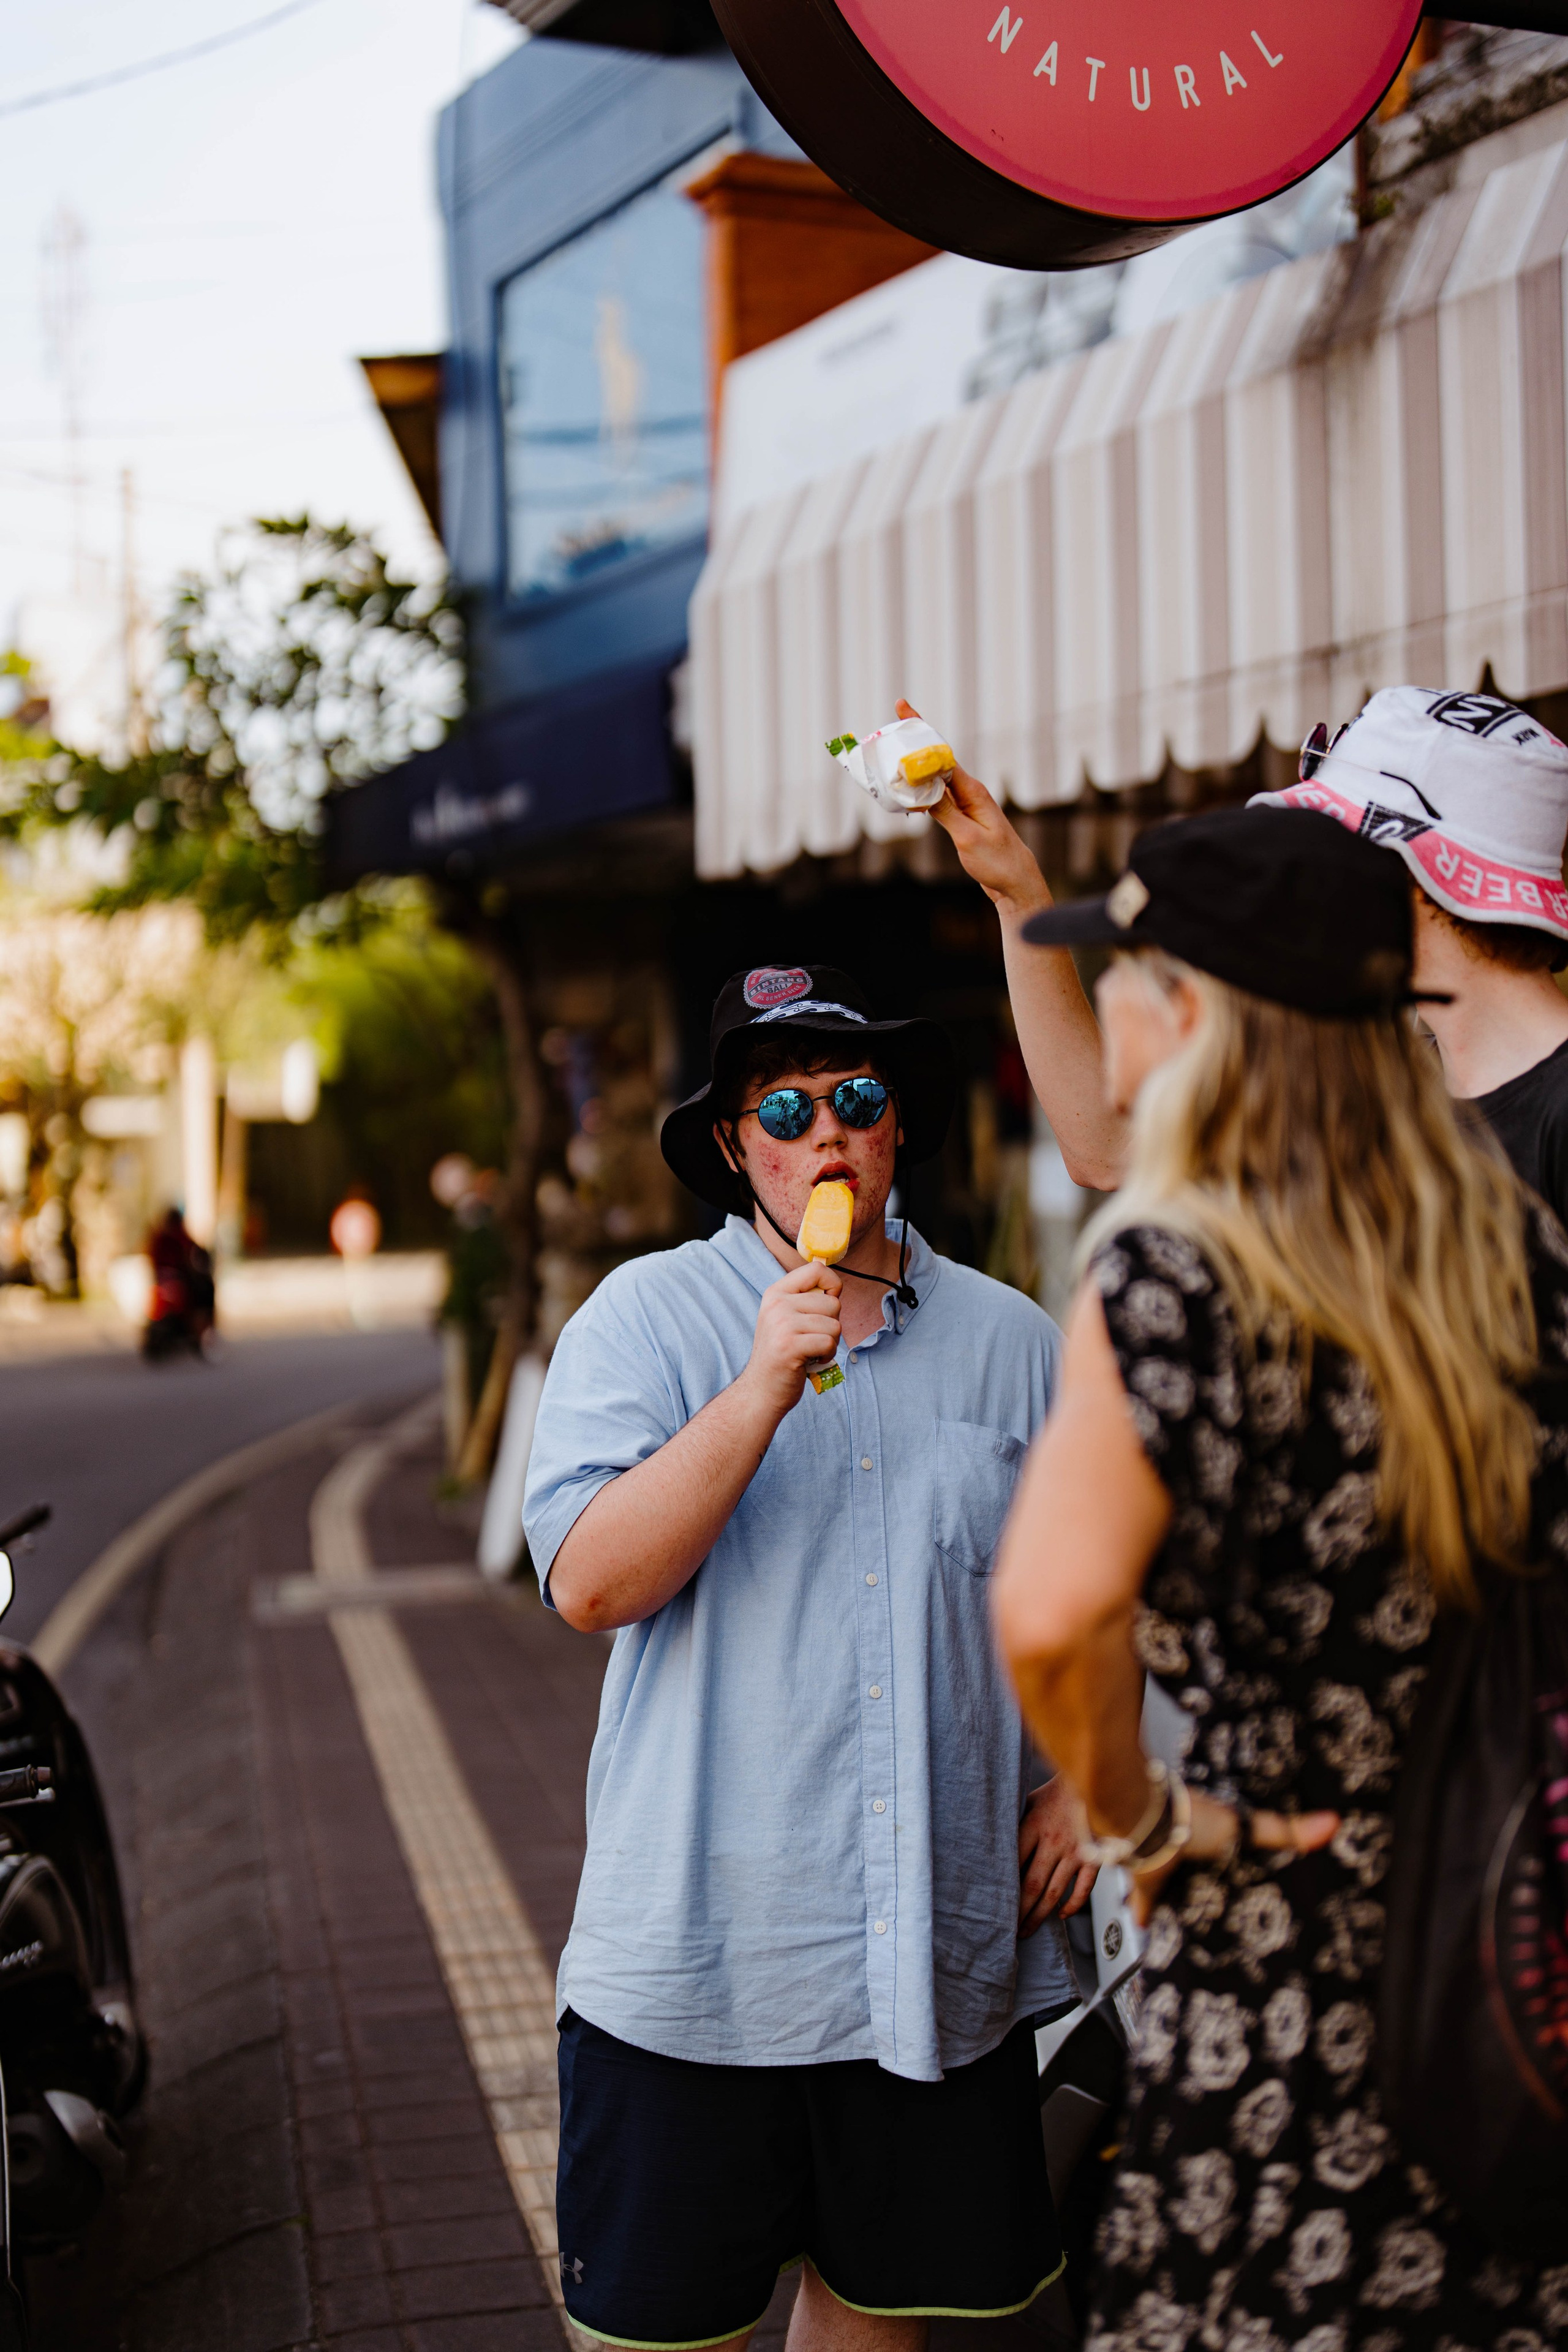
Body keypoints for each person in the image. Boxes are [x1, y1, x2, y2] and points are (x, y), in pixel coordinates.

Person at [991, 805, 1568, 2349]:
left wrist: (1129, 1812)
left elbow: (1048, 1610)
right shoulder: (1503, 1250)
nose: (1097, 998)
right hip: (1507, 1948)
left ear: (1187, 1012)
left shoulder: (1174, 1272)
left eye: (1113, 968)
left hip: (1279, 1957)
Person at [522, 962, 1090, 2352]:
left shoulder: (1013, 1342)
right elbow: (590, 1581)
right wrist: (764, 1382)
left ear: (895, 1126)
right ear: (732, 1145)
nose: (823, 1131)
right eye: (782, 1105)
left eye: (854, 1098)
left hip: (930, 1970)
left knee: (876, 2332)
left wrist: (1084, 1775)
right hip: (698, 1968)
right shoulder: (643, 1320)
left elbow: (1091, 1592)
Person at [919, 688, 1568, 1222]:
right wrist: (1016, 895)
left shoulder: (1543, 1112)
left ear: (1411, 864)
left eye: (1324, 842)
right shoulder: (1394, 1074)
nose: (1304, 875)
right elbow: (1107, 1152)